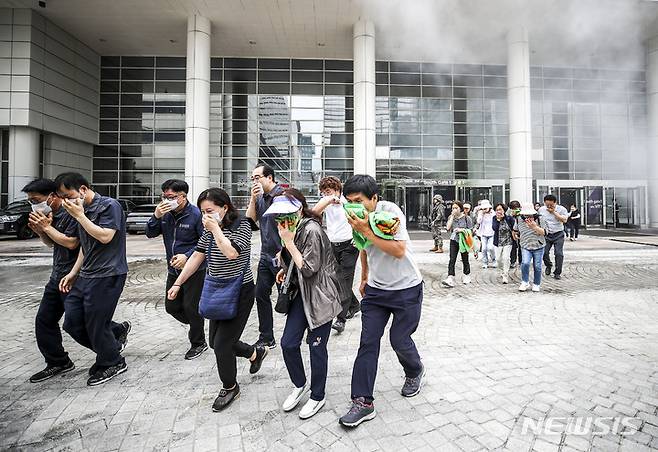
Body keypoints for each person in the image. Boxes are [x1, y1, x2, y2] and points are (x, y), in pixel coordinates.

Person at [167, 188, 268, 412]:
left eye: (210, 211)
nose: (206, 216)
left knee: (222, 344)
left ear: (225, 207)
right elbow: (196, 256)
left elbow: (231, 253)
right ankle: (255, 352)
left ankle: (230, 387)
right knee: (215, 342)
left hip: (240, 291)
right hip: (216, 290)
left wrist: (215, 230)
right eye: (203, 212)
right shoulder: (209, 229)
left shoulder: (241, 224)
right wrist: (178, 283)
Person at [338, 175, 424, 428]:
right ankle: (362, 401)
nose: (353, 206)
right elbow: (363, 247)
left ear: (374, 198)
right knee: (368, 342)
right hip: (376, 291)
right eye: (349, 201)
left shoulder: (389, 212)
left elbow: (398, 250)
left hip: (407, 288)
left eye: (359, 200)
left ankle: (414, 370)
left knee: (399, 339)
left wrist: (365, 228)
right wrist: (364, 277)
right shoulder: (354, 216)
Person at [267, 189, 342, 420]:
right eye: (277, 216)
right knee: (288, 343)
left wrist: (289, 244)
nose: (281, 220)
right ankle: (299, 384)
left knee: (316, 348)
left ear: (299, 209)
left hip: (321, 297)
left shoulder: (311, 229)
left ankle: (317, 395)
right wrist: (283, 270)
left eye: (285, 214)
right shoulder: (291, 228)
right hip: (300, 296)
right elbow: (294, 263)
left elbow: (309, 269)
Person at [55, 173, 131, 386]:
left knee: (96, 323)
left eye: (68, 195)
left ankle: (112, 361)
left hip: (109, 273)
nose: (66, 201)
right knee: (72, 322)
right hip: (86, 274)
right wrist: (73, 272)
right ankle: (113, 341)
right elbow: (86, 246)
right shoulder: (81, 210)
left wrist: (80, 216)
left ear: (82, 189)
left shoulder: (109, 205)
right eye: (62, 197)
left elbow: (105, 236)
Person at [22, 179, 80, 382]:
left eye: (36, 200)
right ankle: (58, 361)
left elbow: (72, 243)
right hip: (56, 276)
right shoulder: (49, 214)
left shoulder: (72, 212)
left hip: (73, 276)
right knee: (44, 320)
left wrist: (46, 228)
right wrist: (40, 230)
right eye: (30, 201)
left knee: (78, 320)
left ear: (52, 196)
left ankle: (116, 331)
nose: (33, 204)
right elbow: (51, 243)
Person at [145, 179, 207, 360]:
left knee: (190, 306)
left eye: (170, 197)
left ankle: (198, 342)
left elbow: (205, 243)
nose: (166, 200)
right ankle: (197, 322)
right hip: (173, 269)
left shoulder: (195, 214)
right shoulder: (165, 214)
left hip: (195, 269)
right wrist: (156, 215)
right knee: (171, 306)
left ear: (182, 197)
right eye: (164, 196)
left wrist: (187, 255)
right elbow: (150, 233)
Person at [312, 176, 360, 334]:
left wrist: (357, 238)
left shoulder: (347, 202)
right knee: (336, 279)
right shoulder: (326, 203)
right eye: (324, 191)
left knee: (344, 282)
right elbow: (314, 212)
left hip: (349, 245)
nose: (326, 194)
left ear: (338, 190)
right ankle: (354, 305)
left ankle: (341, 318)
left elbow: (358, 216)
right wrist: (328, 198)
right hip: (333, 245)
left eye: (329, 191)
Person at [246, 163, 284, 349]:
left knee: (288, 297)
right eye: (252, 178)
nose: (254, 181)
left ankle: (307, 327)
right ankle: (267, 337)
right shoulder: (259, 198)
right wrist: (253, 199)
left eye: (257, 177)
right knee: (260, 294)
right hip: (265, 255)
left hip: (281, 257)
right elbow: (249, 220)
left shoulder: (282, 197)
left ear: (270, 178)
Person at [513, 203, 548, 292]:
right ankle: (525, 282)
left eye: (529, 214)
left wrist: (534, 227)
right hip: (525, 245)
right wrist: (515, 235)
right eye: (525, 215)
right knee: (525, 263)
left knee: (537, 266)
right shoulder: (519, 219)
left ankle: (536, 283)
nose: (527, 216)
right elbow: (515, 230)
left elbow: (545, 232)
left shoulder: (540, 219)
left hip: (538, 246)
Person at [441, 201, 474, 288]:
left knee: (465, 258)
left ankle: (466, 275)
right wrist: (452, 216)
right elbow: (448, 228)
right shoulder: (451, 217)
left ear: (461, 208)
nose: (454, 210)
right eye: (453, 208)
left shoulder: (467, 218)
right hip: (454, 240)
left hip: (463, 240)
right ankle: (450, 277)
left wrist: (462, 230)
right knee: (452, 259)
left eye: (456, 208)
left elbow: (471, 230)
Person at [538, 194, 569, 280]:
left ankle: (557, 272)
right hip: (547, 234)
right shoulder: (541, 210)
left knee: (558, 253)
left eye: (551, 205)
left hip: (558, 234)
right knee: (544, 253)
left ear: (555, 203)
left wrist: (554, 212)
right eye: (547, 204)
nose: (549, 206)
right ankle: (548, 265)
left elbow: (564, 220)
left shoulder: (561, 209)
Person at [492, 203, 515, 284]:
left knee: (506, 258)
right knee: (498, 259)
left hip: (508, 241)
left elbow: (514, 228)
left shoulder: (509, 218)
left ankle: (505, 274)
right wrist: (498, 220)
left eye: (500, 209)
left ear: (504, 210)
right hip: (498, 242)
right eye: (497, 210)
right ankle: (502, 271)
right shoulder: (494, 218)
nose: (499, 211)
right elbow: (494, 228)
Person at [475, 200, 496, 269]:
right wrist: (481, 214)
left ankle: (494, 260)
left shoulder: (493, 213)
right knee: (483, 249)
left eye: (485, 208)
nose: (484, 209)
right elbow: (478, 221)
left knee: (490, 247)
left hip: (492, 233)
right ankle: (485, 262)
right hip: (483, 234)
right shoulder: (481, 213)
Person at [507, 200, 523, 268]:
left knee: (521, 247)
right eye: (513, 208)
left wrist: (519, 215)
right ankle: (513, 261)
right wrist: (512, 216)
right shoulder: (509, 214)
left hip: (521, 232)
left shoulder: (523, 212)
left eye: (516, 208)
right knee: (513, 247)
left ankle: (521, 261)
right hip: (512, 232)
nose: (515, 210)